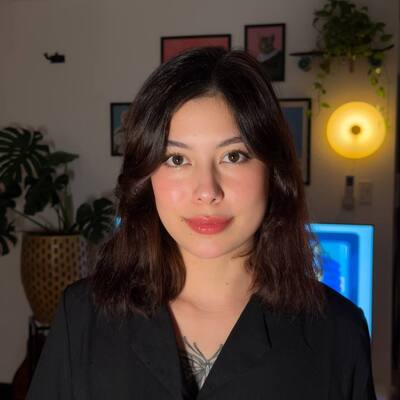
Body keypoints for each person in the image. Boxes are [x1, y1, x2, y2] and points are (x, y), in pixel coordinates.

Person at [27, 47, 376, 399]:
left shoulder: (338, 333)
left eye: (233, 156)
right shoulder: (83, 316)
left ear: (273, 171)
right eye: (177, 159)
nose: (207, 191)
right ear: (146, 178)